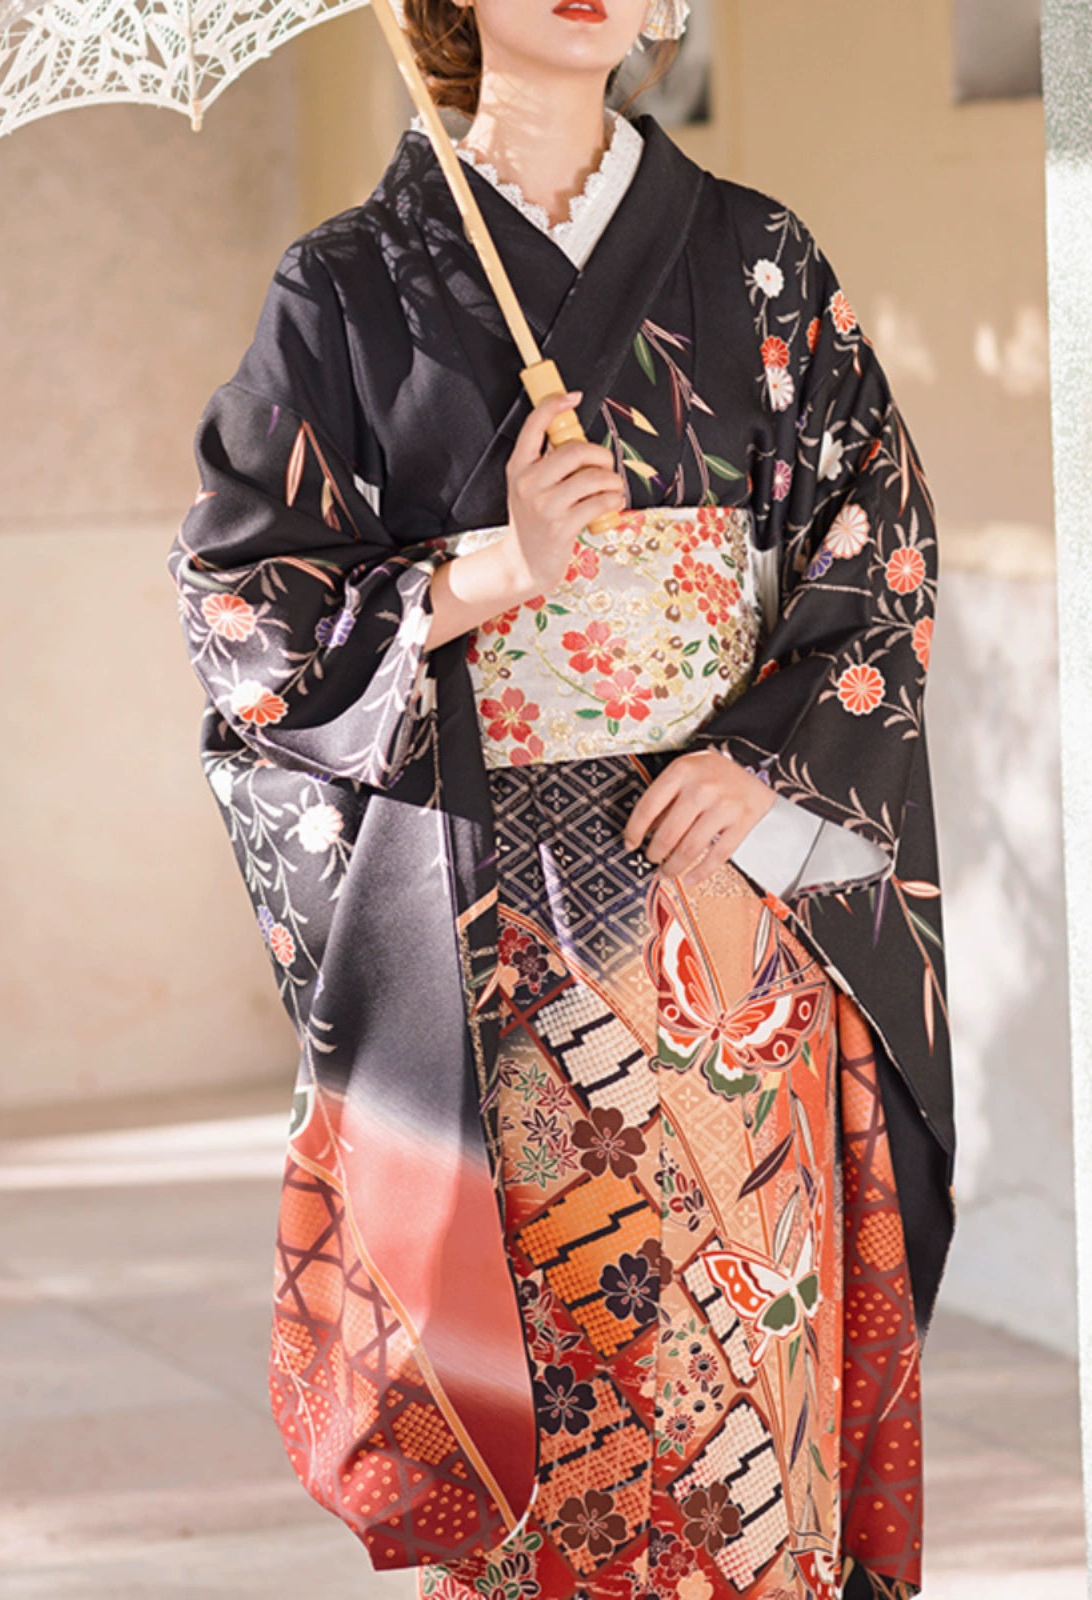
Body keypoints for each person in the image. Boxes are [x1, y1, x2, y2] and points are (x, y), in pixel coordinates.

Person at [166, 0, 957, 1595]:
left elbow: (883, 545)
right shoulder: (347, 288)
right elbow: (244, 613)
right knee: (563, 1415)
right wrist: (492, 571)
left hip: (732, 905)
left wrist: (759, 756)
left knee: (755, 1390)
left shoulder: (757, 256)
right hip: (503, 940)